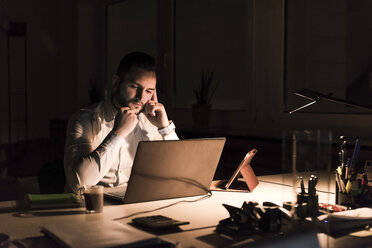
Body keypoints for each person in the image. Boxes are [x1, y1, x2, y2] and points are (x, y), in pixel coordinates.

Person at [64, 52, 178, 193]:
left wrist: (164, 128)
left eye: (149, 91)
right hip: (90, 205)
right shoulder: (84, 119)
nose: (141, 97)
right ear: (116, 83)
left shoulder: (150, 122)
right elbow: (79, 182)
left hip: (131, 204)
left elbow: (180, 174)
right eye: (135, 87)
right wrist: (118, 134)